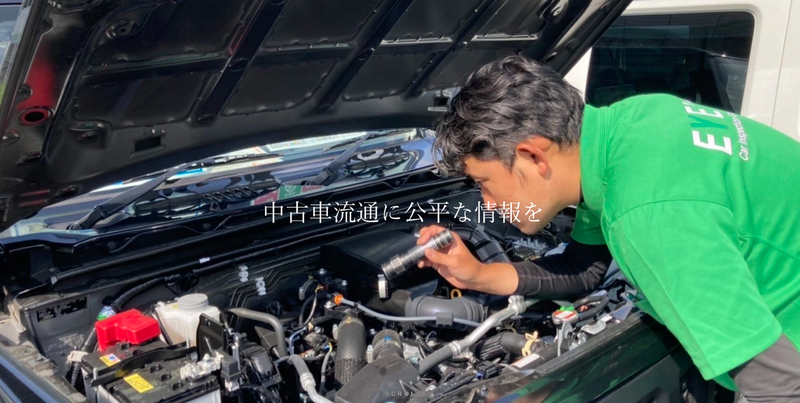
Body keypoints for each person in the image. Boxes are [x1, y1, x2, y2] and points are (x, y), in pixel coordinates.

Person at [415, 55, 800, 402]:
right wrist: (477, 275)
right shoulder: (631, 126)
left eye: (483, 183)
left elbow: (780, 386)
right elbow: (584, 267)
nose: (487, 203)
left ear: (533, 155)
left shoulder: (647, 212)